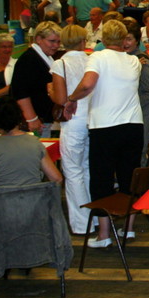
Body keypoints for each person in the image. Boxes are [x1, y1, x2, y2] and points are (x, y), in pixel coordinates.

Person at [63, 20, 144, 247]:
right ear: (124, 38)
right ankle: (129, 229)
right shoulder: (134, 61)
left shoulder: (98, 57)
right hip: (133, 125)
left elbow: (87, 85)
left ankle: (104, 235)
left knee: (102, 179)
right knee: (129, 177)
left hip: (105, 125)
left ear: (103, 39)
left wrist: (71, 99)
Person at [0, 96, 63, 213]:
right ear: (20, 116)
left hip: (3, 209)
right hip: (34, 209)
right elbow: (57, 178)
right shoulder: (35, 143)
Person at [49, 24, 91, 234]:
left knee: (73, 171)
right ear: (83, 41)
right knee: (87, 169)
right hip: (91, 120)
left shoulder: (60, 64)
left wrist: (50, 91)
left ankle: (81, 224)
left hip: (72, 121)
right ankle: (92, 219)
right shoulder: (92, 61)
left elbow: (60, 98)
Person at [10, 21, 61, 137]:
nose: (56, 45)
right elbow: (20, 92)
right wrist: (31, 118)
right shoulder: (28, 59)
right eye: (52, 41)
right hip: (34, 120)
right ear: (38, 39)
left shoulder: (45, 58)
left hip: (44, 117)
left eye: (58, 42)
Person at [122, 18, 149, 164]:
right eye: (122, 39)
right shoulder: (126, 59)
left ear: (137, 40)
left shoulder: (143, 63)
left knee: (139, 151)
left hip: (145, 112)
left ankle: (140, 176)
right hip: (132, 114)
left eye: (129, 39)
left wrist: (127, 104)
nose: (125, 43)